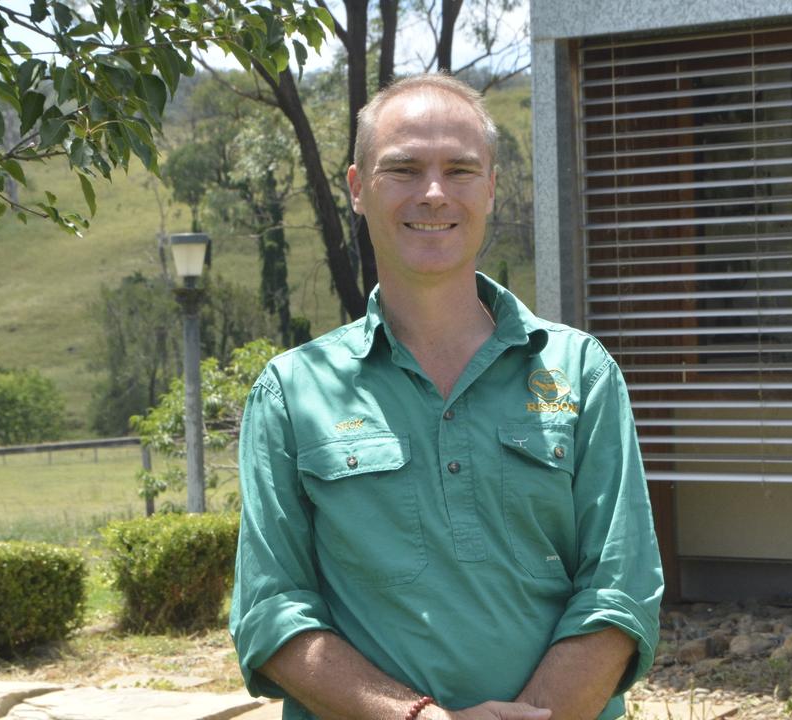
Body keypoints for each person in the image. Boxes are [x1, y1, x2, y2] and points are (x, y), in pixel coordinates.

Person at [230, 73, 663, 720]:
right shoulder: (293, 393)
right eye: (402, 169)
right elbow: (271, 613)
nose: (433, 193)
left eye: (460, 170)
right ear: (357, 188)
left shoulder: (581, 372)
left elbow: (619, 592)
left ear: (490, 187)